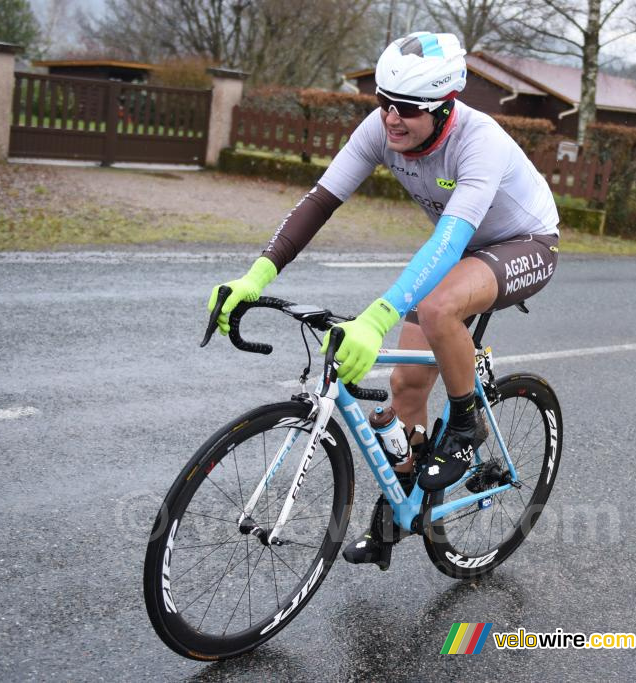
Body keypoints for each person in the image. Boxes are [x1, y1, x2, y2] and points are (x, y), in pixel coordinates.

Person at [208, 32, 560, 567]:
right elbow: (320, 201)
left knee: (440, 307)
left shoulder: (478, 142)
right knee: (405, 386)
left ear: (446, 108)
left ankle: (467, 424)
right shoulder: (382, 127)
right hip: (459, 247)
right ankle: (404, 508)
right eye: (384, 103)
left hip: (522, 244)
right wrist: (256, 276)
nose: (392, 119)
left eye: (409, 111)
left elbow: (448, 240)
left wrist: (377, 316)